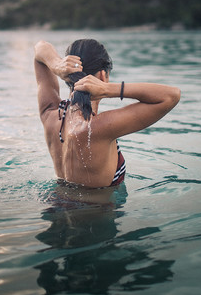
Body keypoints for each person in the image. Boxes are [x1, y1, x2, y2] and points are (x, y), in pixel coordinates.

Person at [34, 39, 180, 188]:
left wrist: (56, 64)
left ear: (66, 75)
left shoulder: (50, 114)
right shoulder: (101, 127)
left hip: (54, 205)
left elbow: (40, 49)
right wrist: (108, 89)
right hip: (96, 211)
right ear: (103, 76)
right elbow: (171, 95)